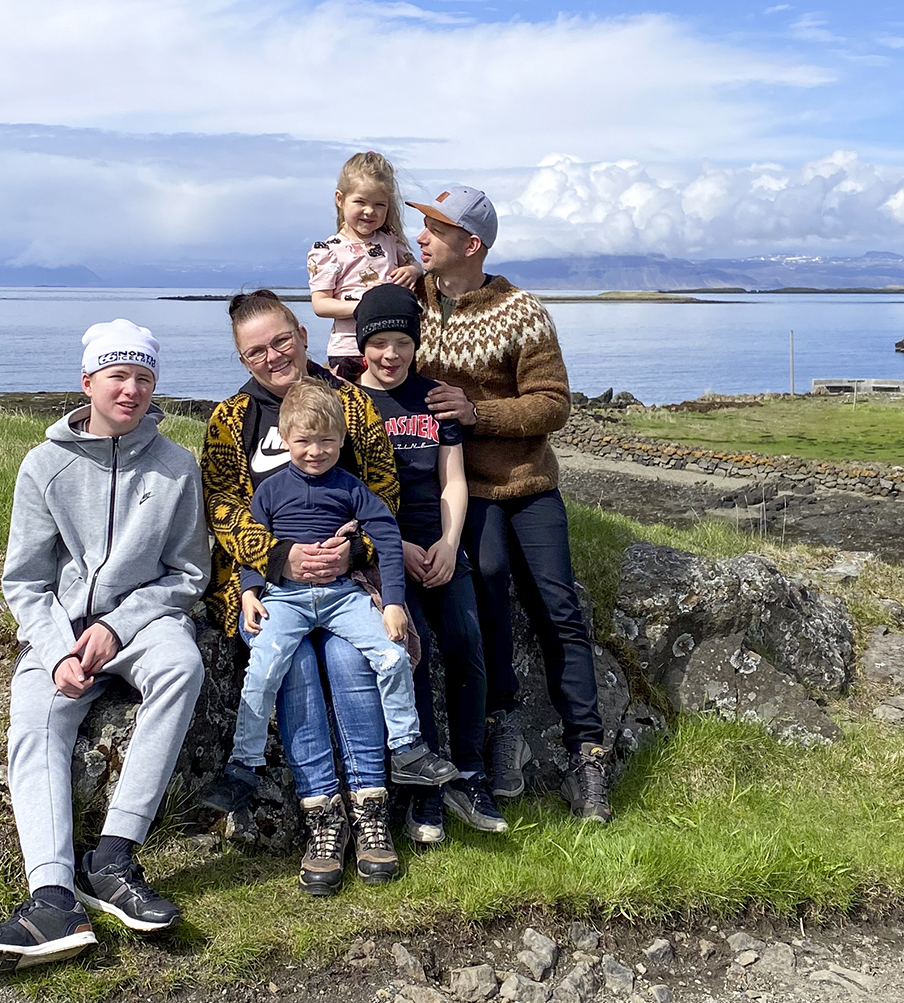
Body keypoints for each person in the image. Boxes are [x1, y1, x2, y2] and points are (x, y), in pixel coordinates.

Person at [0, 319, 209, 973]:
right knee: (38, 716)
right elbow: (26, 581)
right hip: (63, 625)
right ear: (89, 382)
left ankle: (114, 861)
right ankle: (51, 898)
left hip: (143, 623)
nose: (131, 390)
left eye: (144, 378)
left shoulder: (178, 466)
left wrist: (119, 626)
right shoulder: (44, 465)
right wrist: (58, 650)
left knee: (182, 663)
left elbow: (186, 575)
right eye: (118, 376)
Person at [407, 186, 613, 824]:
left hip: (526, 484)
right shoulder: (411, 301)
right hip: (459, 491)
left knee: (560, 609)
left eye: (434, 230)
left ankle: (588, 757)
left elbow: (553, 402)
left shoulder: (523, 312)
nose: (421, 238)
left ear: (470, 245)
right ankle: (504, 726)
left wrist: (479, 413)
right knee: (489, 594)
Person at [199, 290, 411, 896]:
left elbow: (383, 495)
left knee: (349, 659)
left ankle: (370, 811)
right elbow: (222, 506)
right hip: (268, 586)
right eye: (255, 351)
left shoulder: (349, 404)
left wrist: (354, 553)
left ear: (302, 333)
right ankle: (323, 815)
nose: (272, 356)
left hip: (347, 583)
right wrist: (281, 558)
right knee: (288, 666)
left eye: (281, 341)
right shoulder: (229, 421)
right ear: (243, 360)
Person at [221, 379, 458, 878]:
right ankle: (243, 765)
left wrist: (393, 604)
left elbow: (389, 540)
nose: (315, 451)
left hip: (342, 596)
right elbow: (251, 547)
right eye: (304, 441)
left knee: (392, 655)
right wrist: (247, 592)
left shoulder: (352, 487)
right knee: (266, 668)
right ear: (284, 438)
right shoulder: (268, 491)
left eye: (327, 441)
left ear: (342, 439)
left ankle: (407, 749)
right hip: (283, 598)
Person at [353, 284, 508, 841]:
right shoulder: (349, 406)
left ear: (415, 344)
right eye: (379, 343)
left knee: (467, 647)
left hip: (441, 545)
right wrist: (396, 546)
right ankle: (426, 787)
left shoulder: (436, 399)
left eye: (401, 342)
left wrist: (448, 543)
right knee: (410, 653)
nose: (390, 355)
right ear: (361, 344)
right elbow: (352, 491)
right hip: (387, 552)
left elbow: (454, 479)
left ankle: (468, 772)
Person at [309, 151, 423, 382]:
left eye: (379, 204)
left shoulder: (391, 240)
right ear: (340, 199)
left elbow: (416, 265)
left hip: (391, 347)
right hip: (349, 349)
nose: (369, 211)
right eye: (360, 202)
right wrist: (367, 308)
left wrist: (412, 270)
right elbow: (320, 304)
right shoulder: (328, 250)